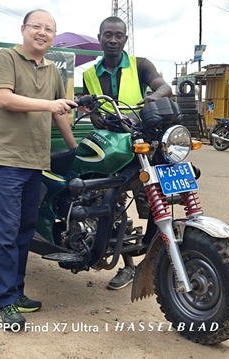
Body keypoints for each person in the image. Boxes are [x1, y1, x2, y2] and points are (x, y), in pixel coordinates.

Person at [0, 9, 78, 329]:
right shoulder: (5, 58)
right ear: (23, 29)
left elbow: (60, 114)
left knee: (25, 231)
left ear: (54, 36)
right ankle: (5, 301)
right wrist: (51, 105)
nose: (42, 32)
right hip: (6, 160)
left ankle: (17, 292)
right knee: (7, 233)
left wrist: (74, 148)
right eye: (36, 27)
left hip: (36, 161)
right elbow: (5, 100)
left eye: (49, 29)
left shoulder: (53, 69)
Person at [81, 16, 173, 290]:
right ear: (99, 38)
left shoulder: (140, 65)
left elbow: (164, 86)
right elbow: (92, 112)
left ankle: (157, 260)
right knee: (113, 201)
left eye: (118, 35)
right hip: (112, 146)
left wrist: (154, 98)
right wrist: (96, 117)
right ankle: (129, 266)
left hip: (144, 142)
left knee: (155, 202)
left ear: (125, 39)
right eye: (107, 35)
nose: (112, 40)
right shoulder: (89, 75)